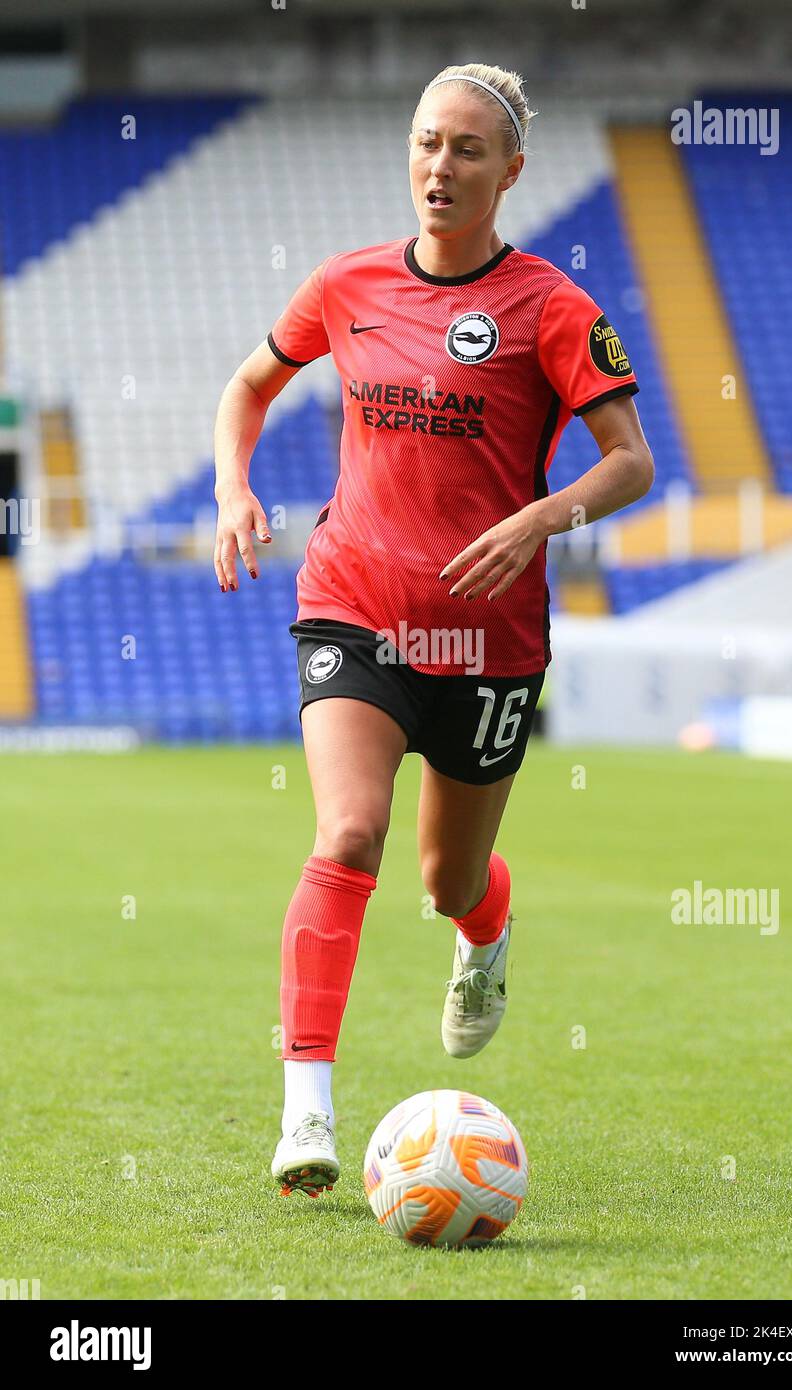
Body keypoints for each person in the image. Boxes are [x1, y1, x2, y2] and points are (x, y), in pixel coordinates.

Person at [212, 62, 654, 1198]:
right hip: (352, 603)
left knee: (447, 876)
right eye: (423, 143)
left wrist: (541, 518)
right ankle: (304, 1113)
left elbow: (629, 461)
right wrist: (233, 489)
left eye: (465, 149)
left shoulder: (552, 307)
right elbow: (248, 386)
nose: (438, 167)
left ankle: (484, 930)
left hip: (486, 641)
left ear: (510, 171)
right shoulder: (348, 282)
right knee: (347, 834)